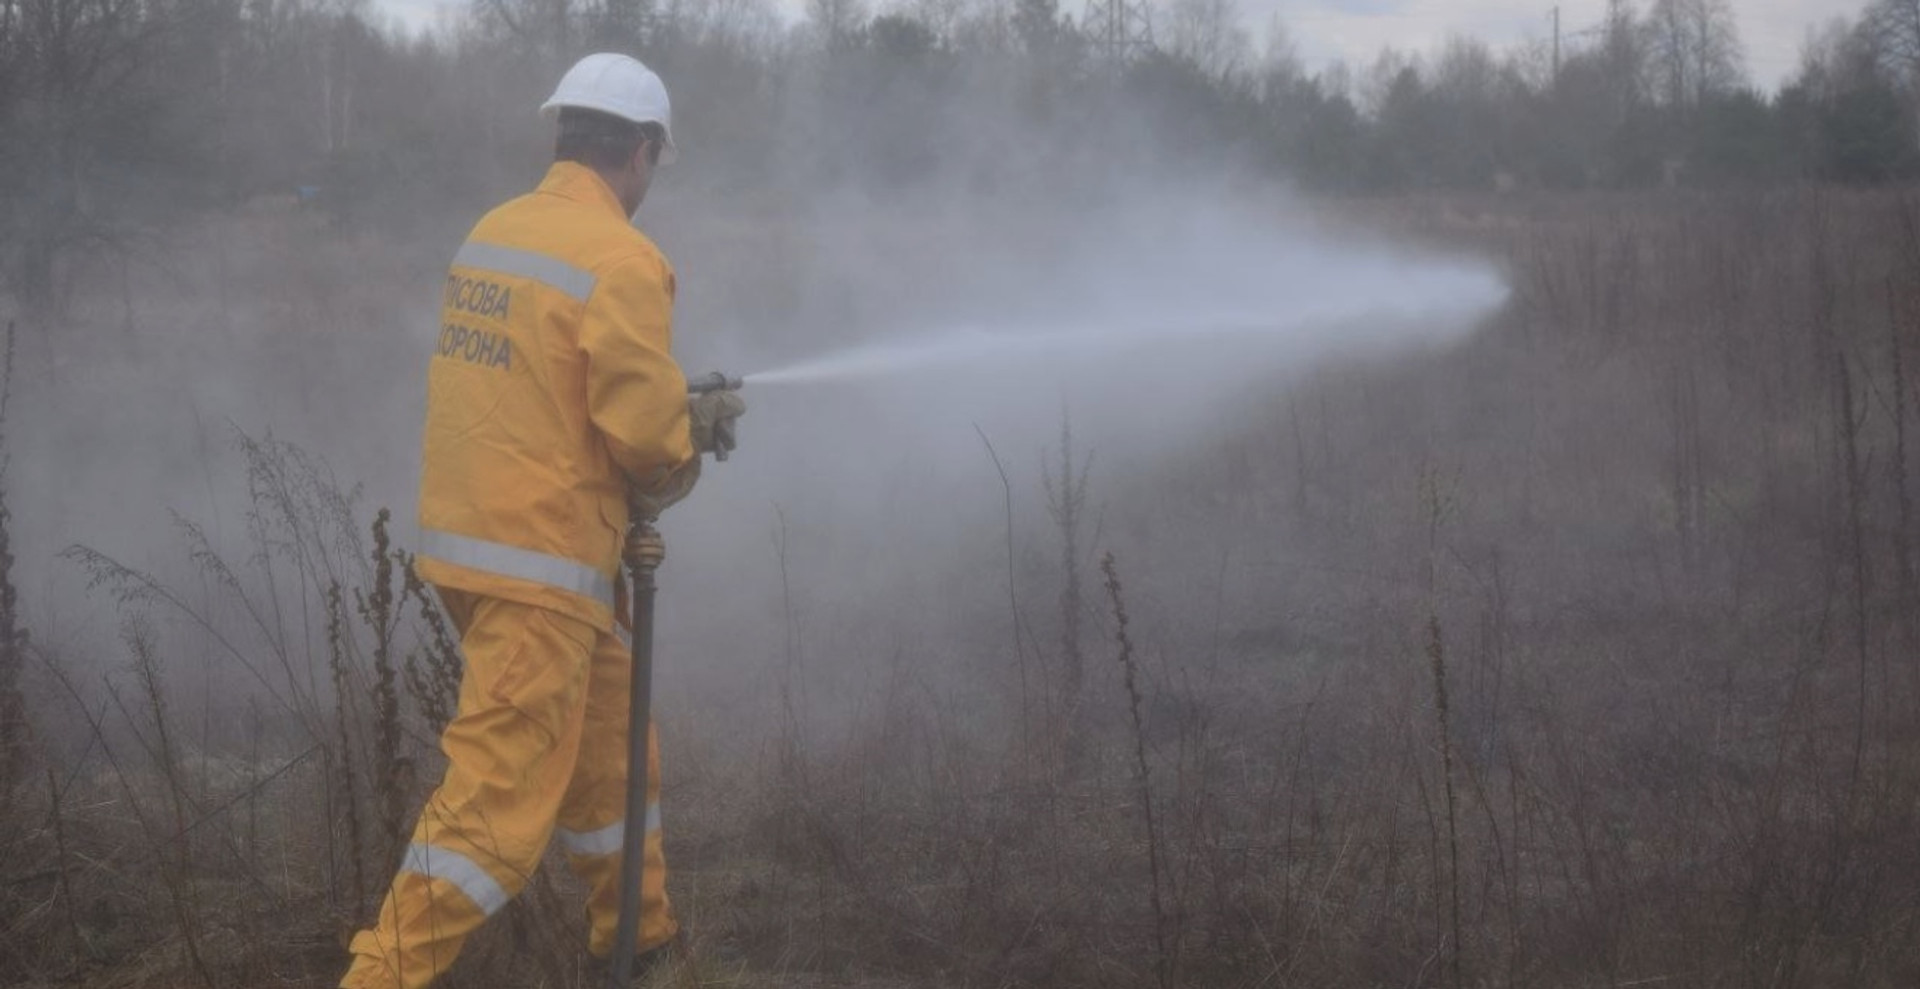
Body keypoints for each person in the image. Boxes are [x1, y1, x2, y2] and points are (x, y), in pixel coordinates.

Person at [339, 53, 744, 989]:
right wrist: (693, 433)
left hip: (479, 552)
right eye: (653, 162)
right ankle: (380, 977)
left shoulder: (496, 232)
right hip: (544, 569)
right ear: (640, 151)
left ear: (565, 134)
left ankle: (640, 941)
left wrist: (666, 411)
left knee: (611, 758)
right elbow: (645, 438)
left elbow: (546, 391)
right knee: (494, 809)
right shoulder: (624, 258)